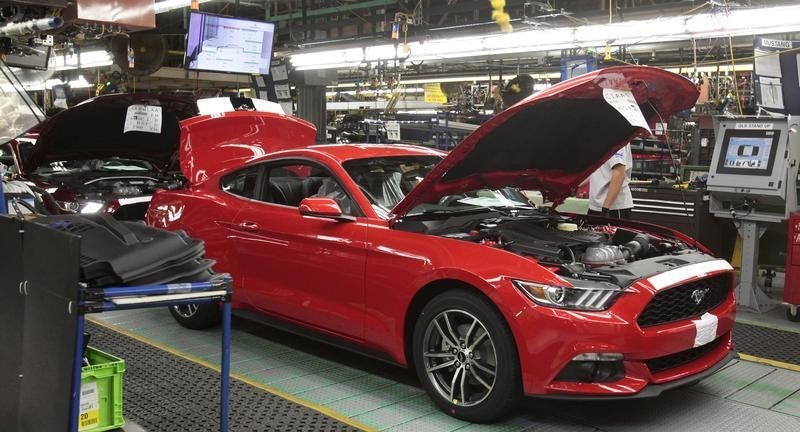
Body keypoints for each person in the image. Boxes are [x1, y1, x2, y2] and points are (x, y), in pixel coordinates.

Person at [587, 144, 634, 219]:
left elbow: (619, 175)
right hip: (596, 206)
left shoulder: (616, 137)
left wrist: (605, 210)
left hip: (613, 209)